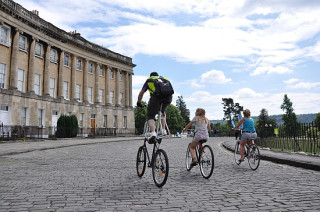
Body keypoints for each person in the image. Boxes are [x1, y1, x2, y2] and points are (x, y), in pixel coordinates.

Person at [137, 72, 173, 143]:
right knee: (162, 111)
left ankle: (153, 133)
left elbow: (141, 93)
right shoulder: (164, 79)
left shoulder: (149, 80)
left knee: (150, 115)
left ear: (151, 76)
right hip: (168, 98)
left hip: (156, 98)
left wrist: (139, 102)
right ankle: (163, 130)